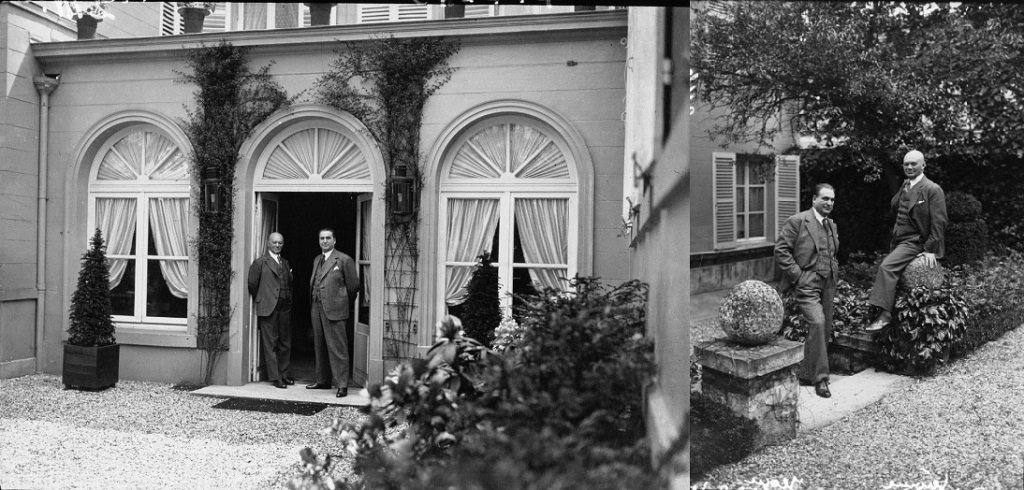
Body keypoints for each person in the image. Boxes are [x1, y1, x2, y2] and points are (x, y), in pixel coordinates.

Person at [865, 150, 947, 332]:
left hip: (915, 241)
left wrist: (930, 249)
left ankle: (885, 315)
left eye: (914, 164)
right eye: (906, 164)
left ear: (923, 165)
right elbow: (897, 208)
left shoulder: (932, 189)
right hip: (900, 240)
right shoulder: (906, 185)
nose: (909, 167)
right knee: (888, 269)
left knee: (887, 268)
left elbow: (939, 222)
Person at [775, 183, 839, 398]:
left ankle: (806, 373)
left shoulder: (832, 225)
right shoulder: (798, 221)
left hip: (828, 281)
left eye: (832, 199)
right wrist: (798, 275)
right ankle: (821, 379)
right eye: (825, 198)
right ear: (814, 199)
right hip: (808, 281)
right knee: (817, 322)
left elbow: (832, 252)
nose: (829, 203)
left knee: (825, 327)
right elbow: (781, 250)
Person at [306, 228, 360, 398]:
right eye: (322, 238)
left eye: (328, 238)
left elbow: (353, 287)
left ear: (334, 240)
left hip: (336, 309)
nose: (325, 241)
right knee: (319, 345)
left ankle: (342, 384)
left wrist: (341, 301)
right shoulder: (317, 259)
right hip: (317, 307)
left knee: (338, 348)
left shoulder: (344, 260)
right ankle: (322, 380)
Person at [247, 232, 294, 389]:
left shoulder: (285, 263)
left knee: (285, 342)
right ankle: (275, 377)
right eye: (274, 242)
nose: (277, 245)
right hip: (269, 307)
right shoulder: (260, 263)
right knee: (271, 343)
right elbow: (252, 285)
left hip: (285, 307)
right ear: (268, 243)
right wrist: (264, 298)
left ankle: (284, 374)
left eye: (280, 242)